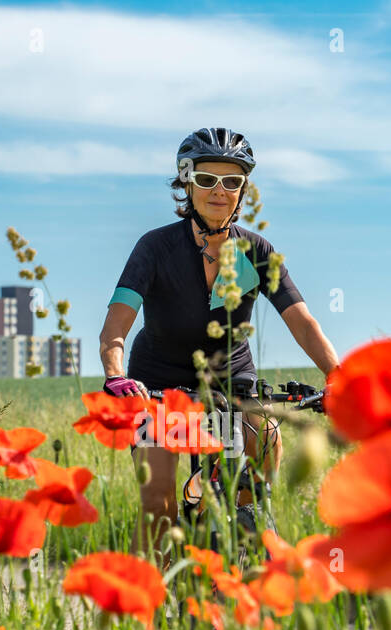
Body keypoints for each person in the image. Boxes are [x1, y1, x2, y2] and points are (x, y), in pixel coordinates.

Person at [98, 127, 339, 553]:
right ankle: (145, 609)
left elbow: (302, 323)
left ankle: (246, 547)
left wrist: (338, 375)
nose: (219, 191)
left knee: (265, 441)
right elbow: (116, 325)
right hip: (158, 386)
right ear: (186, 184)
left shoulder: (256, 251)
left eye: (232, 182)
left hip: (233, 383)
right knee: (158, 504)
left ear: (243, 189)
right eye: (207, 180)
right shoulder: (154, 248)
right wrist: (116, 376)